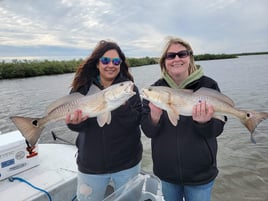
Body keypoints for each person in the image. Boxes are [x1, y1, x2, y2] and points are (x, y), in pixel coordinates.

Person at [141, 36, 226, 201]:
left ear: (190, 57)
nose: (177, 59)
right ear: (164, 61)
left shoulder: (208, 86)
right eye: (171, 56)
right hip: (167, 173)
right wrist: (155, 116)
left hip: (200, 174)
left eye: (182, 54)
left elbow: (218, 129)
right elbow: (148, 131)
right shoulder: (154, 91)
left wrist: (204, 123)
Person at [66, 40, 143, 201]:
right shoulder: (82, 89)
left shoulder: (129, 89)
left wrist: (122, 107)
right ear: (97, 63)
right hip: (91, 166)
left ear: (120, 64)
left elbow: (136, 122)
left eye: (116, 61)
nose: (111, 65)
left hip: (127, 164)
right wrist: (75, 122)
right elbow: (77, 127)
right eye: (105, 60)